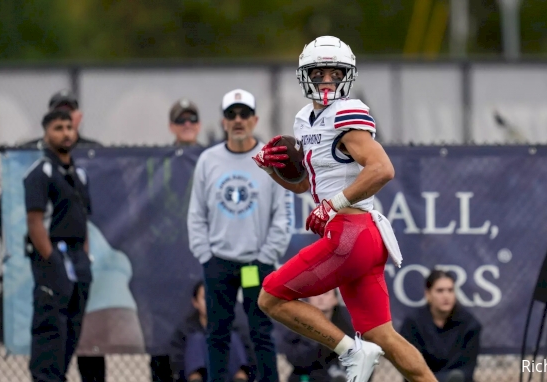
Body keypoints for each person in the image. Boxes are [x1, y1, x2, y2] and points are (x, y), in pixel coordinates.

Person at [253, 35, 438, 382]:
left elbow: (382, 169)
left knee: (270, 298)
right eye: (319, 73)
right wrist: (270, 170)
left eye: (333, 73)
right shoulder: (303, 121)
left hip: (350, 234)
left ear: (345, 76)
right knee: (382, 334)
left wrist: (334, 205)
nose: (326, 80)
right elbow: (307, 186)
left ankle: (351, 351)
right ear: (306, 75)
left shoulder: (346, 112)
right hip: (361, 238)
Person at [187, 88, 293, 382]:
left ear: (255, 119)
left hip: (255, 264)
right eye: (231, 115)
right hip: (219, 262)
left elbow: (283, 216)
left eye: (244, 114)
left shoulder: (270, 161)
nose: (238, 120)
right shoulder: (208, 161)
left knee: (261, 332)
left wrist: (265, 257)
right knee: (217, 333)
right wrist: (206, 255)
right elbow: (196, 214)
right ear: (223, 122)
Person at [23, 109, 93, 382]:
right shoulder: (41, 172)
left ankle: (58, 376)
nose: (65, 133)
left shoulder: (79, 175)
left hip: (77, 257)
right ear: (46, 133)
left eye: (69, 127)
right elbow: (35, 221)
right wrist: (52, 259)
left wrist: (83, 260)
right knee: (51, 328)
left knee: (72, 329)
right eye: (58, 128)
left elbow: (84, 220)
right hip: (52, 255)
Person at [151, 98, 205, 382]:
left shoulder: (212, 159)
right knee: (163, 333)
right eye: (181, 121)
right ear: (172, 126)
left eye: (192, 120)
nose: (187, 125)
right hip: (169, 262)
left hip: (203, 259)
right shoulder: (159, 163)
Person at [399, 270, 481, 382]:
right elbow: (410, 367)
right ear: (428, 294)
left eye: (450, 290)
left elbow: (467, 369)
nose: (446, 296)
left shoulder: (470, 324)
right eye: (440, 291)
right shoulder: (412, 324)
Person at [169, 281, 251, 382]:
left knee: (232, 337)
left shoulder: (234, 326)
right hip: (201, 377)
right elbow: (177, 359)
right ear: (195, 302)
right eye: (205, 298)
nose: (210, 302)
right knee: (196, 339)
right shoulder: (185, 330)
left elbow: (249, 356)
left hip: (229, 376)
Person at [279, 290, 355, 382]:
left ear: (335, 299)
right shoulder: (296, 322)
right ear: (309, 299)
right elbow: (297, 360)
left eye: (326, 294)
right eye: (315, 294)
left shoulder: (347, 322)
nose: (320, 298)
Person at [20, 89, 103, 149]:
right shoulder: (30, 149)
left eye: (69, 111)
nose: (64, 117)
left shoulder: (94, 149)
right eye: (59, 112)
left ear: (79, 117)